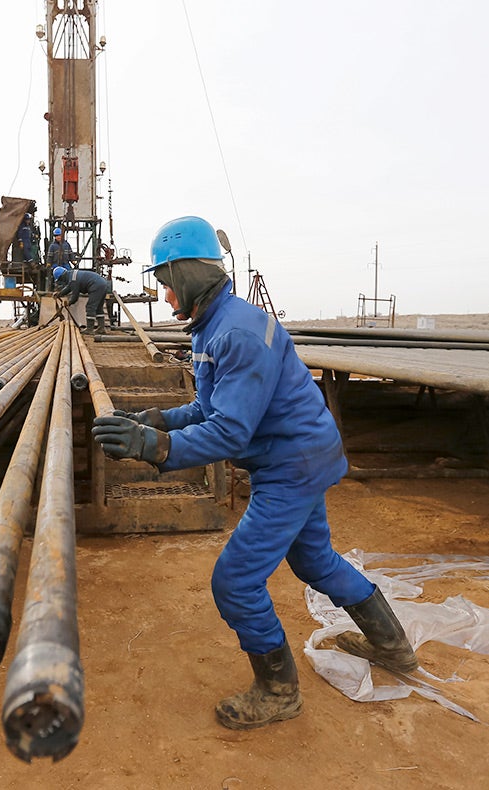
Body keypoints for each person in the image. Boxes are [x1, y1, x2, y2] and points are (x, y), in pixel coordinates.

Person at [91, 215, 418, 731]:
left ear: (190, 274)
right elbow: (209, 408)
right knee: (315, 560)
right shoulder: (216, 324)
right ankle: (393, 647)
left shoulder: (236, 333)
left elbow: (229, 432)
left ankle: (278, 691)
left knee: (236, 581)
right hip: (301, 453)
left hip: (290, 464)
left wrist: (155, 447)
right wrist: (156, 420)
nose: (165, 295)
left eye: (167, 282)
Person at [53, 265, 111, 334]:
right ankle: (101, 328)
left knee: (90, 307)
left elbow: (75, 297)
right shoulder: (72, 275)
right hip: (103, 284)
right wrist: (59, 294)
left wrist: (68, 303)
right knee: (99, 307)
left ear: (61, 277)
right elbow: (69, 287)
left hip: (96, 286)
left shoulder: (73, 279)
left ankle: (89, 329)